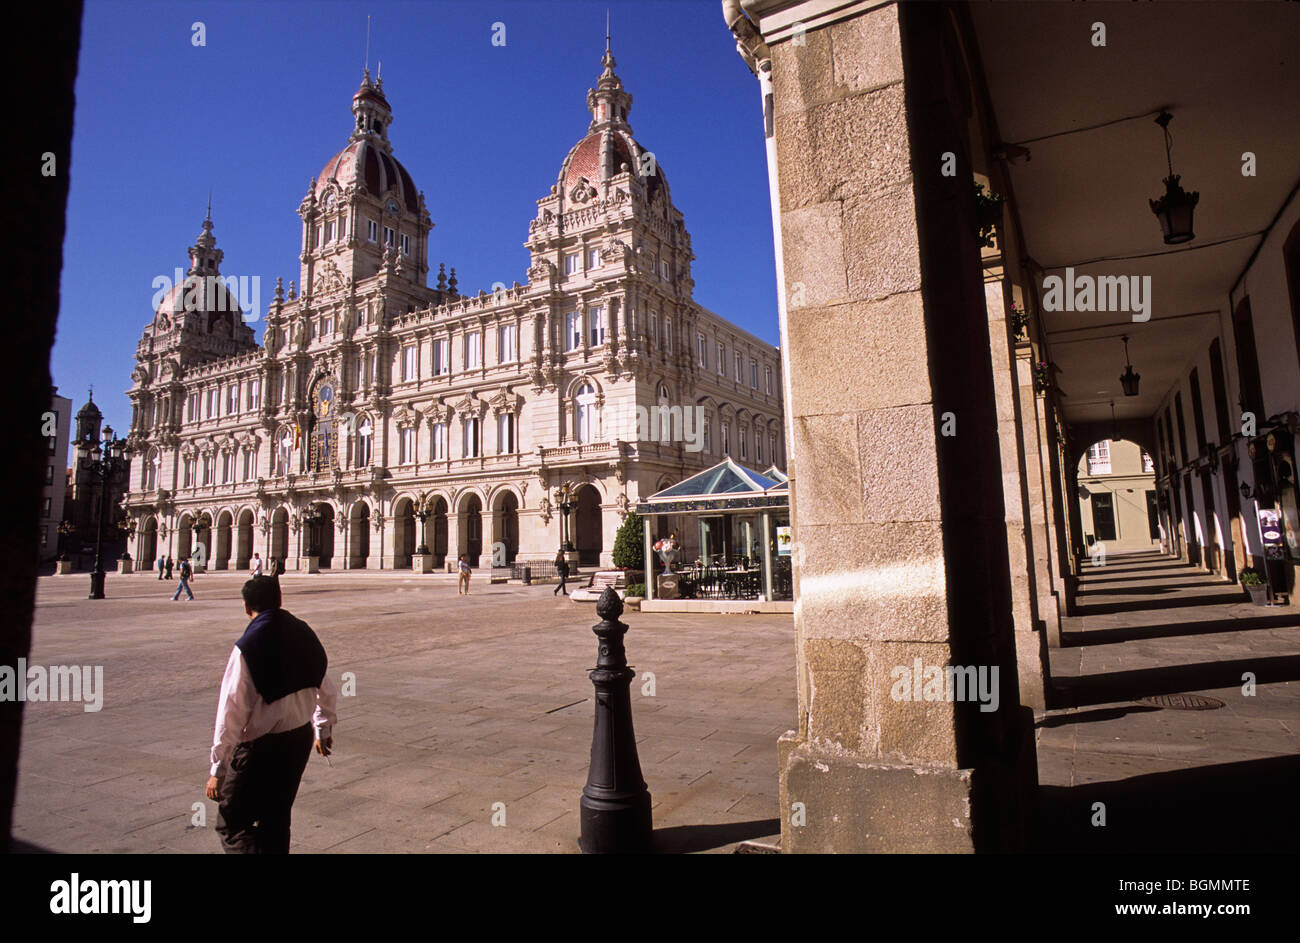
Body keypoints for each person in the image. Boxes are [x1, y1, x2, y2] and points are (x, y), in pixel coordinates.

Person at [205, 577, 337, 854]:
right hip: (298, 740)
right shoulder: (304, 632)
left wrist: (218, 768)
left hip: (260, 748)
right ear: (280, 600)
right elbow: (325, 685)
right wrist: (322, 728)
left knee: (232, 824)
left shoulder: (247, 646)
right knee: (276, 819)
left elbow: (230, 711)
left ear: (246, 607)